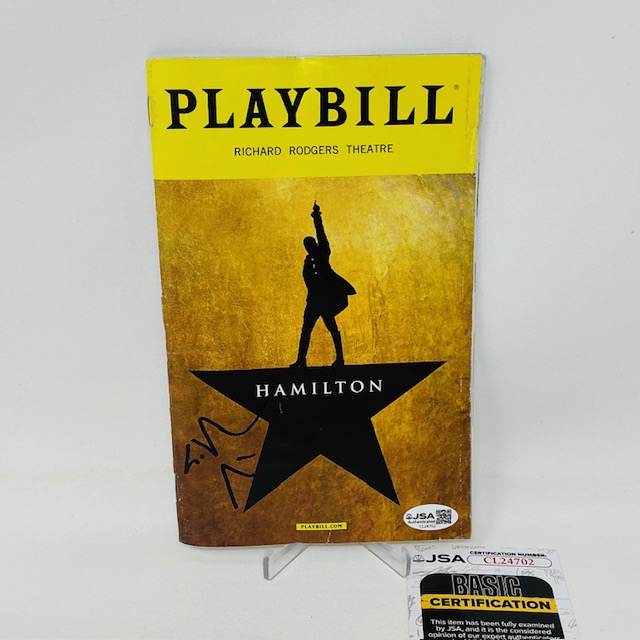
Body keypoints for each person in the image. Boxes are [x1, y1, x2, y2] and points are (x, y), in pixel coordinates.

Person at [291, 202, 356, 368]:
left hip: (327, 299)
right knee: (306, 330)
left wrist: (316, 217)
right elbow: (308, 280)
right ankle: (301, 360)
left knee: (332, 328)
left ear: (315, 244)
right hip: (313, 300)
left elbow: (321, 233)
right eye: (306, 246)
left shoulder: (323, 253)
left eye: (311, 244)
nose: (308, 247)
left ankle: (340, 358)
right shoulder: (307, 261)